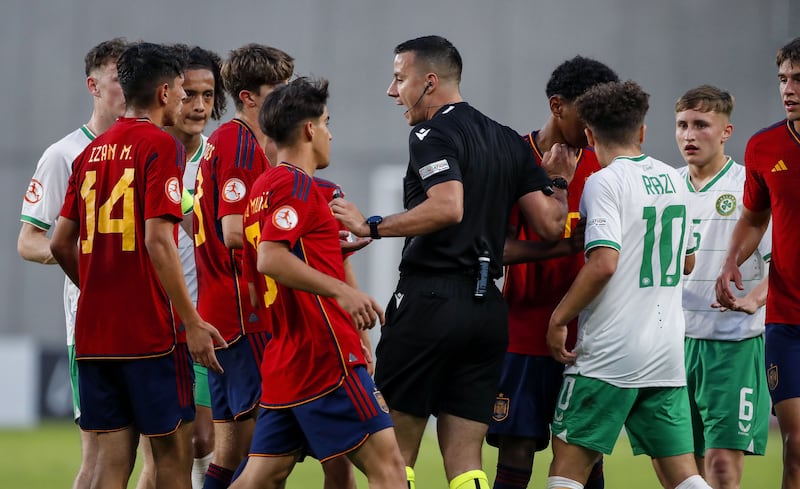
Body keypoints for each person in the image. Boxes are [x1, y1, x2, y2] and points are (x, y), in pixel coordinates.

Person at [332, 35, 577, 489]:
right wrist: (558, 178)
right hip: (486, 311)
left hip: (429, 301)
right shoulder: (508, 140)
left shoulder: (430, 133)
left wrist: (372, 226)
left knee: (392, 455)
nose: (392, 90)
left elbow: (448, 207)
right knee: (466, 460)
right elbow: (548, 226)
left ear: (430, 82)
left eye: (399, 78)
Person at [49, 41, 225, 489]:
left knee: (111, 464)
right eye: (184, 91)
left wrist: (94, 289)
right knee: (171, 458)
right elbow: (157, 241)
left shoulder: (90, 153)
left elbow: (60, 241)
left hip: (93, 334)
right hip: (150, 335)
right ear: (164, 93)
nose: (188, 101)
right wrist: (191, 320)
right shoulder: (160, 147)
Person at [230, 76, 407, 489]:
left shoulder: (261, 190)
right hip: (324, 355)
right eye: (327, 122)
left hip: (286, 356)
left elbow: (262, 273)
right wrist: (344, 292)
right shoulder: (295, 184)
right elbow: (270, 258)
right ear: (310, 129)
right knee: (389, 468)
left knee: (262, 475)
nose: (330, 133)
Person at [544, 80, 709, 489]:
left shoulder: (605, 182)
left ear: (588, 134)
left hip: (610, 354)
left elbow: (603, 264)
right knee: (683, 474)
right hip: (666, 350)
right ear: (642, 132)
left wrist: (559, 317)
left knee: (568, 468)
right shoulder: (676, 181)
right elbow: (687, 261)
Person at [486, 55, 618, 489]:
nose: (595, 124)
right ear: (557, 105)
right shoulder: (512, 159)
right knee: (518, 446)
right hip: (525, 332)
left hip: (593, 337)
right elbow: (493, 250)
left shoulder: (608, 166)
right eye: (589, 112)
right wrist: (561, 245)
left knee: (584, 452)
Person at [17, 37, 128, 489]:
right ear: (93, 86)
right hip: (93, 321)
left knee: (164, 446)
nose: (128, 89)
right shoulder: (64, 154)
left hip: (149, 318)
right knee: (98, 454)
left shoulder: (149, 149)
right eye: (119, 80)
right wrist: (84, 257)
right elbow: (28, 241)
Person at [193, 43, 294, 489]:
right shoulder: (237, 142)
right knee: (266, 458)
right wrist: (296, 240)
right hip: (241, 312)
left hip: (222, 310)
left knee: (230, 453)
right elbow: (234, 230)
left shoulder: (232, 142)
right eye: (279, 89)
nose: (288, 99)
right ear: (249, 97)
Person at [136, 44, 228, 489]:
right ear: (167, 94)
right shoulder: (147, 152)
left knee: (203, 439)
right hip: (153, 322)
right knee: (163, 449)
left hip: (204, 319)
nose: (198, 106)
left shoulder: (219, 157)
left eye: (208, 96)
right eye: (189, 94)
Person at [675, 85, 771, 489]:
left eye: (701, 125)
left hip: (732, 345)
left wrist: (753, 299)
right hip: (674, 346)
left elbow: (780, 266)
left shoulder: (748, 186)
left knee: (721, 469)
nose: (689, 135)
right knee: (684, 470)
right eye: (681, 125)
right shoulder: (667, 188)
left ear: (726, 131)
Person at [716, 36, 800, 489]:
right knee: (798, 446)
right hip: (787, 319)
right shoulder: (765, 146)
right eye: (784, 79)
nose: (788, 89)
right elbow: (753, 216)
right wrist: (732, 260)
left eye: (799, 80)